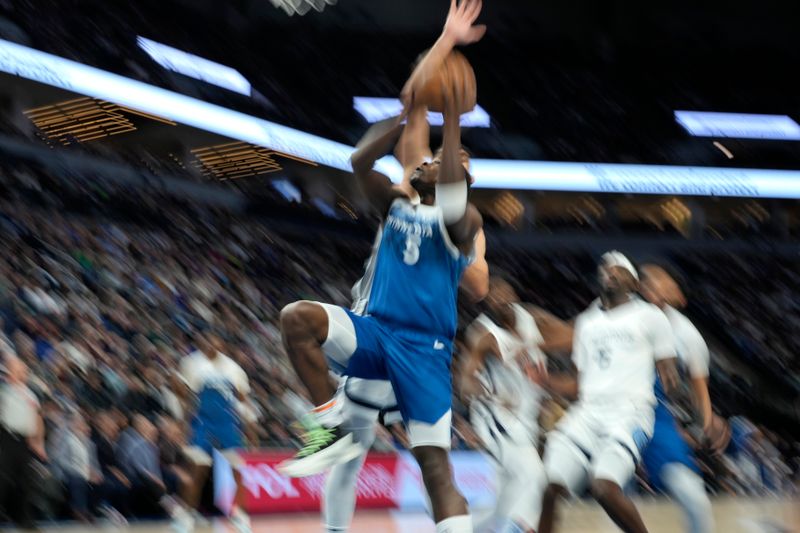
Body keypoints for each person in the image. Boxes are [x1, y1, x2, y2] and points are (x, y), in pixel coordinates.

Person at [278, 3, 488, 532]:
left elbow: (480, 284)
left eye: (454, 162)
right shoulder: (398, 198)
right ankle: (331, 436)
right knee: (298, 323)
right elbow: (381, 137)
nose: (441, 159)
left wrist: (457, 118)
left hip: (424, 348)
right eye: (436, 157)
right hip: (376, 332)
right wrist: (444, 43)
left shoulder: (464, 218)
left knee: (434, 469)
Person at [537, 251, 679, 533]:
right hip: (588, 412)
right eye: (605, 268)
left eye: (619, 269)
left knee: (603, 487)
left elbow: (670, 376)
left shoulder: (651, 317)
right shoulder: (588, 324)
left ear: (634, 284)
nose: (610, 271)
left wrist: (678, 414)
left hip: (630, 413)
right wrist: (546, 381)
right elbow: (578, 385)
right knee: (548, 486)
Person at [460, 276, 572, 533]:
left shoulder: (533, 318)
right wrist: (481, 391)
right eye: (492, 295)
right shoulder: (484, 333)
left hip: (526, 416)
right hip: (497, 415)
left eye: (503, 290)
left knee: (502, 495)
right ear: (484, 303)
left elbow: (573, 336)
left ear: (514, 292)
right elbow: (466, 378)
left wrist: (533, 344)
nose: (499, 297)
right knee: (535, 476)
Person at [639, 263, 714, 533]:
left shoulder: (688, 336)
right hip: (605, 409)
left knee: (694, 497)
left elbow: (700, 393)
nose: (653, 285)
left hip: (653, 415)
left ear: (675, 294)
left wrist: (699, 429)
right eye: (647, 281)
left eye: (660, 281)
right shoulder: (613, 311)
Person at [177, 329, 253, 533]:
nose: (209, 343)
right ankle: (186, 515)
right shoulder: (191, 363)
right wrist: (184, 425)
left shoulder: (234, 368)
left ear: (222, 344)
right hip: (202, 424)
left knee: (236, 472)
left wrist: (246, 428)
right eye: (205, 339)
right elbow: (185, 397)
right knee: (197, 470)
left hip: (228, 424)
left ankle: (240, 516)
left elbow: (243, 402)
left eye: (213, 339)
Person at [0, 353, 45, 530]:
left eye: (23, 369)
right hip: (4, 438)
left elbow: (37, 418)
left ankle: (24, 520)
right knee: (2, 481)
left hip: (23, 441)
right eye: (19, 369)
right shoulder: (3, 389)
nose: (23, 372)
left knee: (25, 481)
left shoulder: (30, 394)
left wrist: (39, 442)